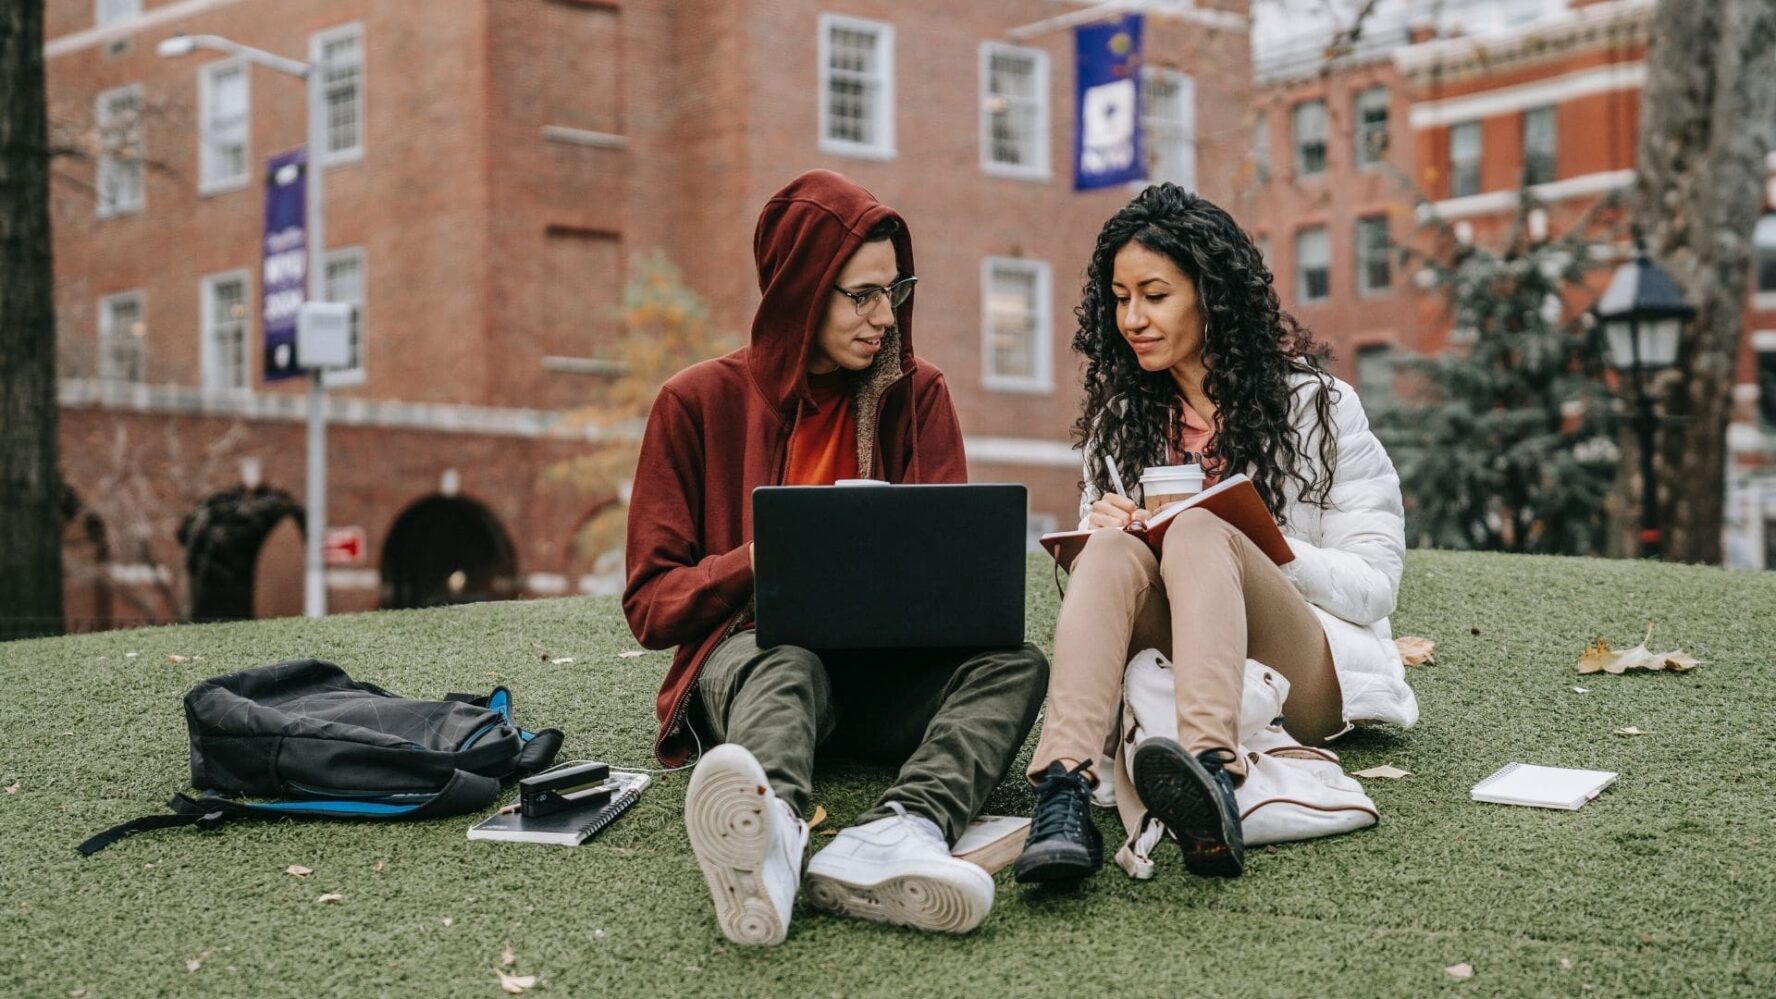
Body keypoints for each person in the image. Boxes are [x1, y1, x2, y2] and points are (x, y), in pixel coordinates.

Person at [623, 169, 1049, 946]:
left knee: (1017, 661)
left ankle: (901, 829)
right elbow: (650, 605)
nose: (885, 316)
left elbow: (953, 574)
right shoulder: (694, 403)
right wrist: (763, 557)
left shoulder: (919, 395)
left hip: (885, 678)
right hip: (758, 661)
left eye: (896, 290)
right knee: (788, 660)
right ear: (800, 292)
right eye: (862, 294)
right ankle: (774, 836)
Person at [1011, 184, 1418, 884]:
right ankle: (1063, 789)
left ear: (1211, 295)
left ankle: (1210, 769)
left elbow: (1376, 586)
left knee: (1201, 527)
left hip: (1299, 672)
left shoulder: (1318, 408)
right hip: (1169, 659)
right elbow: (1109, 600)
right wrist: (1100, 532)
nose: (1132, 317)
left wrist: (1256, 543)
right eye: (1119, 297)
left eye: (1155, 294)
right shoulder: (1121, 422)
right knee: (1110, 546)